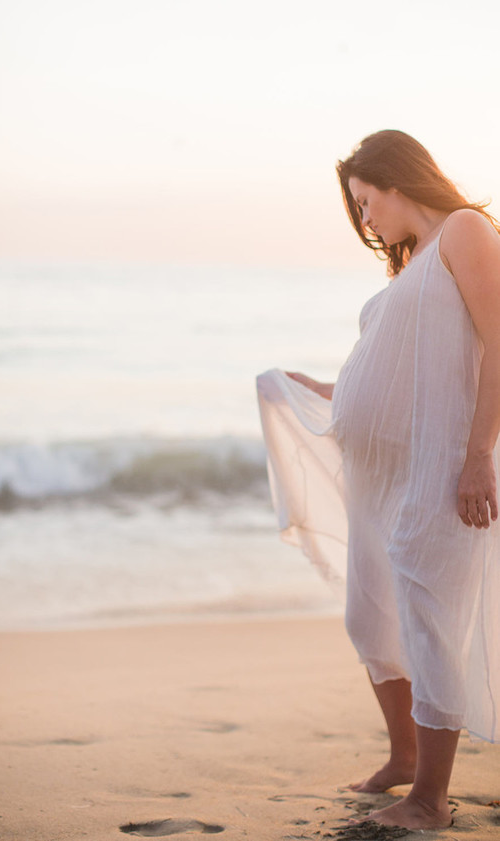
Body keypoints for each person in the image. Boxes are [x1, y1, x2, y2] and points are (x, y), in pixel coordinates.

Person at [256, 129, 500, 831]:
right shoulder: (410, 265)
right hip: (378, 474)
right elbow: (392, 375)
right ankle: (402, 756)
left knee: (426, 616)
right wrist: (322, 388)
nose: (365, 220)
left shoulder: (464, 230)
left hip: (438, 464)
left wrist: (478, 453)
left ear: (397, 181)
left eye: (365, 202)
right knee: (371, 615)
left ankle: (431, 797)